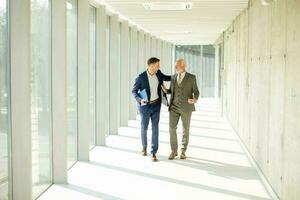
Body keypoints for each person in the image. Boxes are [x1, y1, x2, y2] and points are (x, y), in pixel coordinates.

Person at [132, 57, 171, 162]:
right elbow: (134, 91)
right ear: (151, 65)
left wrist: (178, 76)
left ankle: (153, 152)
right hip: (145, 106)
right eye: (158, 65)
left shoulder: (158, 74)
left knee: (155, 129)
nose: (159, 67)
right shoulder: (141, 77)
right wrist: (140, 100)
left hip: (156, 105)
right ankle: (144, 147)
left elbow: (167, 78)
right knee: (144, 127)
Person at [161, 58, 199, 160]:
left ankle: (183, 151)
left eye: (176, 66)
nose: (175, 67)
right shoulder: (173, 77)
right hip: (173, 107)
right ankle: (174, 151)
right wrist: (166, 90)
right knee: (171, 128)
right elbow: (171, 91)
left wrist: (195, 99)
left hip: (186, 107)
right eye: (175, 65)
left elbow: (196, 91)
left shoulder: (191, 77)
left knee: (185, 129)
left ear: (183, 66)